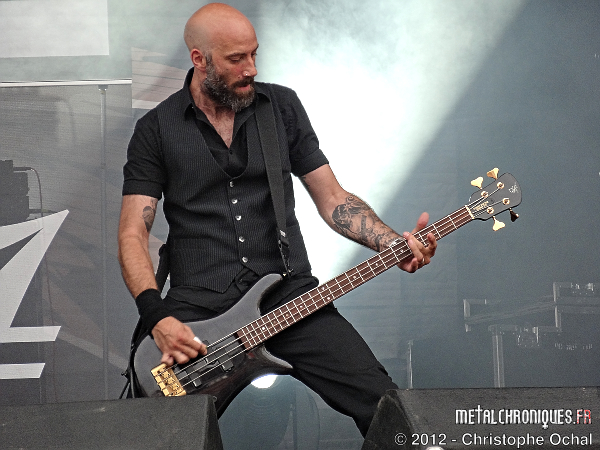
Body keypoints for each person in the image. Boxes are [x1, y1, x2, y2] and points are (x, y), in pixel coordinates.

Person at [118, 2, 437, 437]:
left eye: (254, 54)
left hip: (289, 299)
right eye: (236, 59)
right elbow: (132, 232)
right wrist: (157, 317)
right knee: (161, 436)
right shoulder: (156, 129)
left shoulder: (281, 107)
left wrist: (389, 242)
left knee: (388, 410)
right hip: (197, 310)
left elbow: (333, 198)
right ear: (199, 59)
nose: (250, 68)